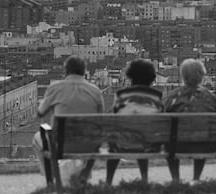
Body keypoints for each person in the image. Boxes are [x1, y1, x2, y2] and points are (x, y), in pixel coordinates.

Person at [32, 55, 105, 185]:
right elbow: (101, 121)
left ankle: (51, 180)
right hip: (89, 145)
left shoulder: (55, 88)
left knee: (38, 138)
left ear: (66, 71)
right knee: (95, 134)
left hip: (60, 145)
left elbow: (40, 113)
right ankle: (85, 173)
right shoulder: (95, 91)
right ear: (84, 71)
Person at [106, 59, 164, 185]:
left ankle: (108, 181)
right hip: (148, 147)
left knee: (116, 140)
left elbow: (114, 117)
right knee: (143, 135)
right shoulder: (157, 96)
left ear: (130, 76)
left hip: (121, 145)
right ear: (151, 78)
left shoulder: (121, 95)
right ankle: (144, 179)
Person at [164, 59, 216, 182]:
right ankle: (196, 178)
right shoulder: (209, 97)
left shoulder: (173, 96)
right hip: (205, 145)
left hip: (176, 145)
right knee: (202, 134)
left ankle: (176, 179)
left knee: (170, 142)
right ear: (201, 76)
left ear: (183, 76)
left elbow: (163, 118)